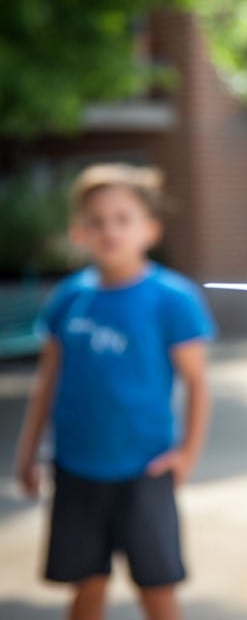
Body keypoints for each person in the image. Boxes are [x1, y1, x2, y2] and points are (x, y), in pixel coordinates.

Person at [13, 163, 215, 620]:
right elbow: (47, 382)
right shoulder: (68, 298)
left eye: (122, 218)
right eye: (96, 220)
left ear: (150, 229)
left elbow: (198, 382)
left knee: (157, 590)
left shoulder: (172, 298)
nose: (109, 229)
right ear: (79, 231)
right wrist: (27, 454)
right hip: (76, 467)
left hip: (144, 468)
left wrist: (186, 453)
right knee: (86, 587)